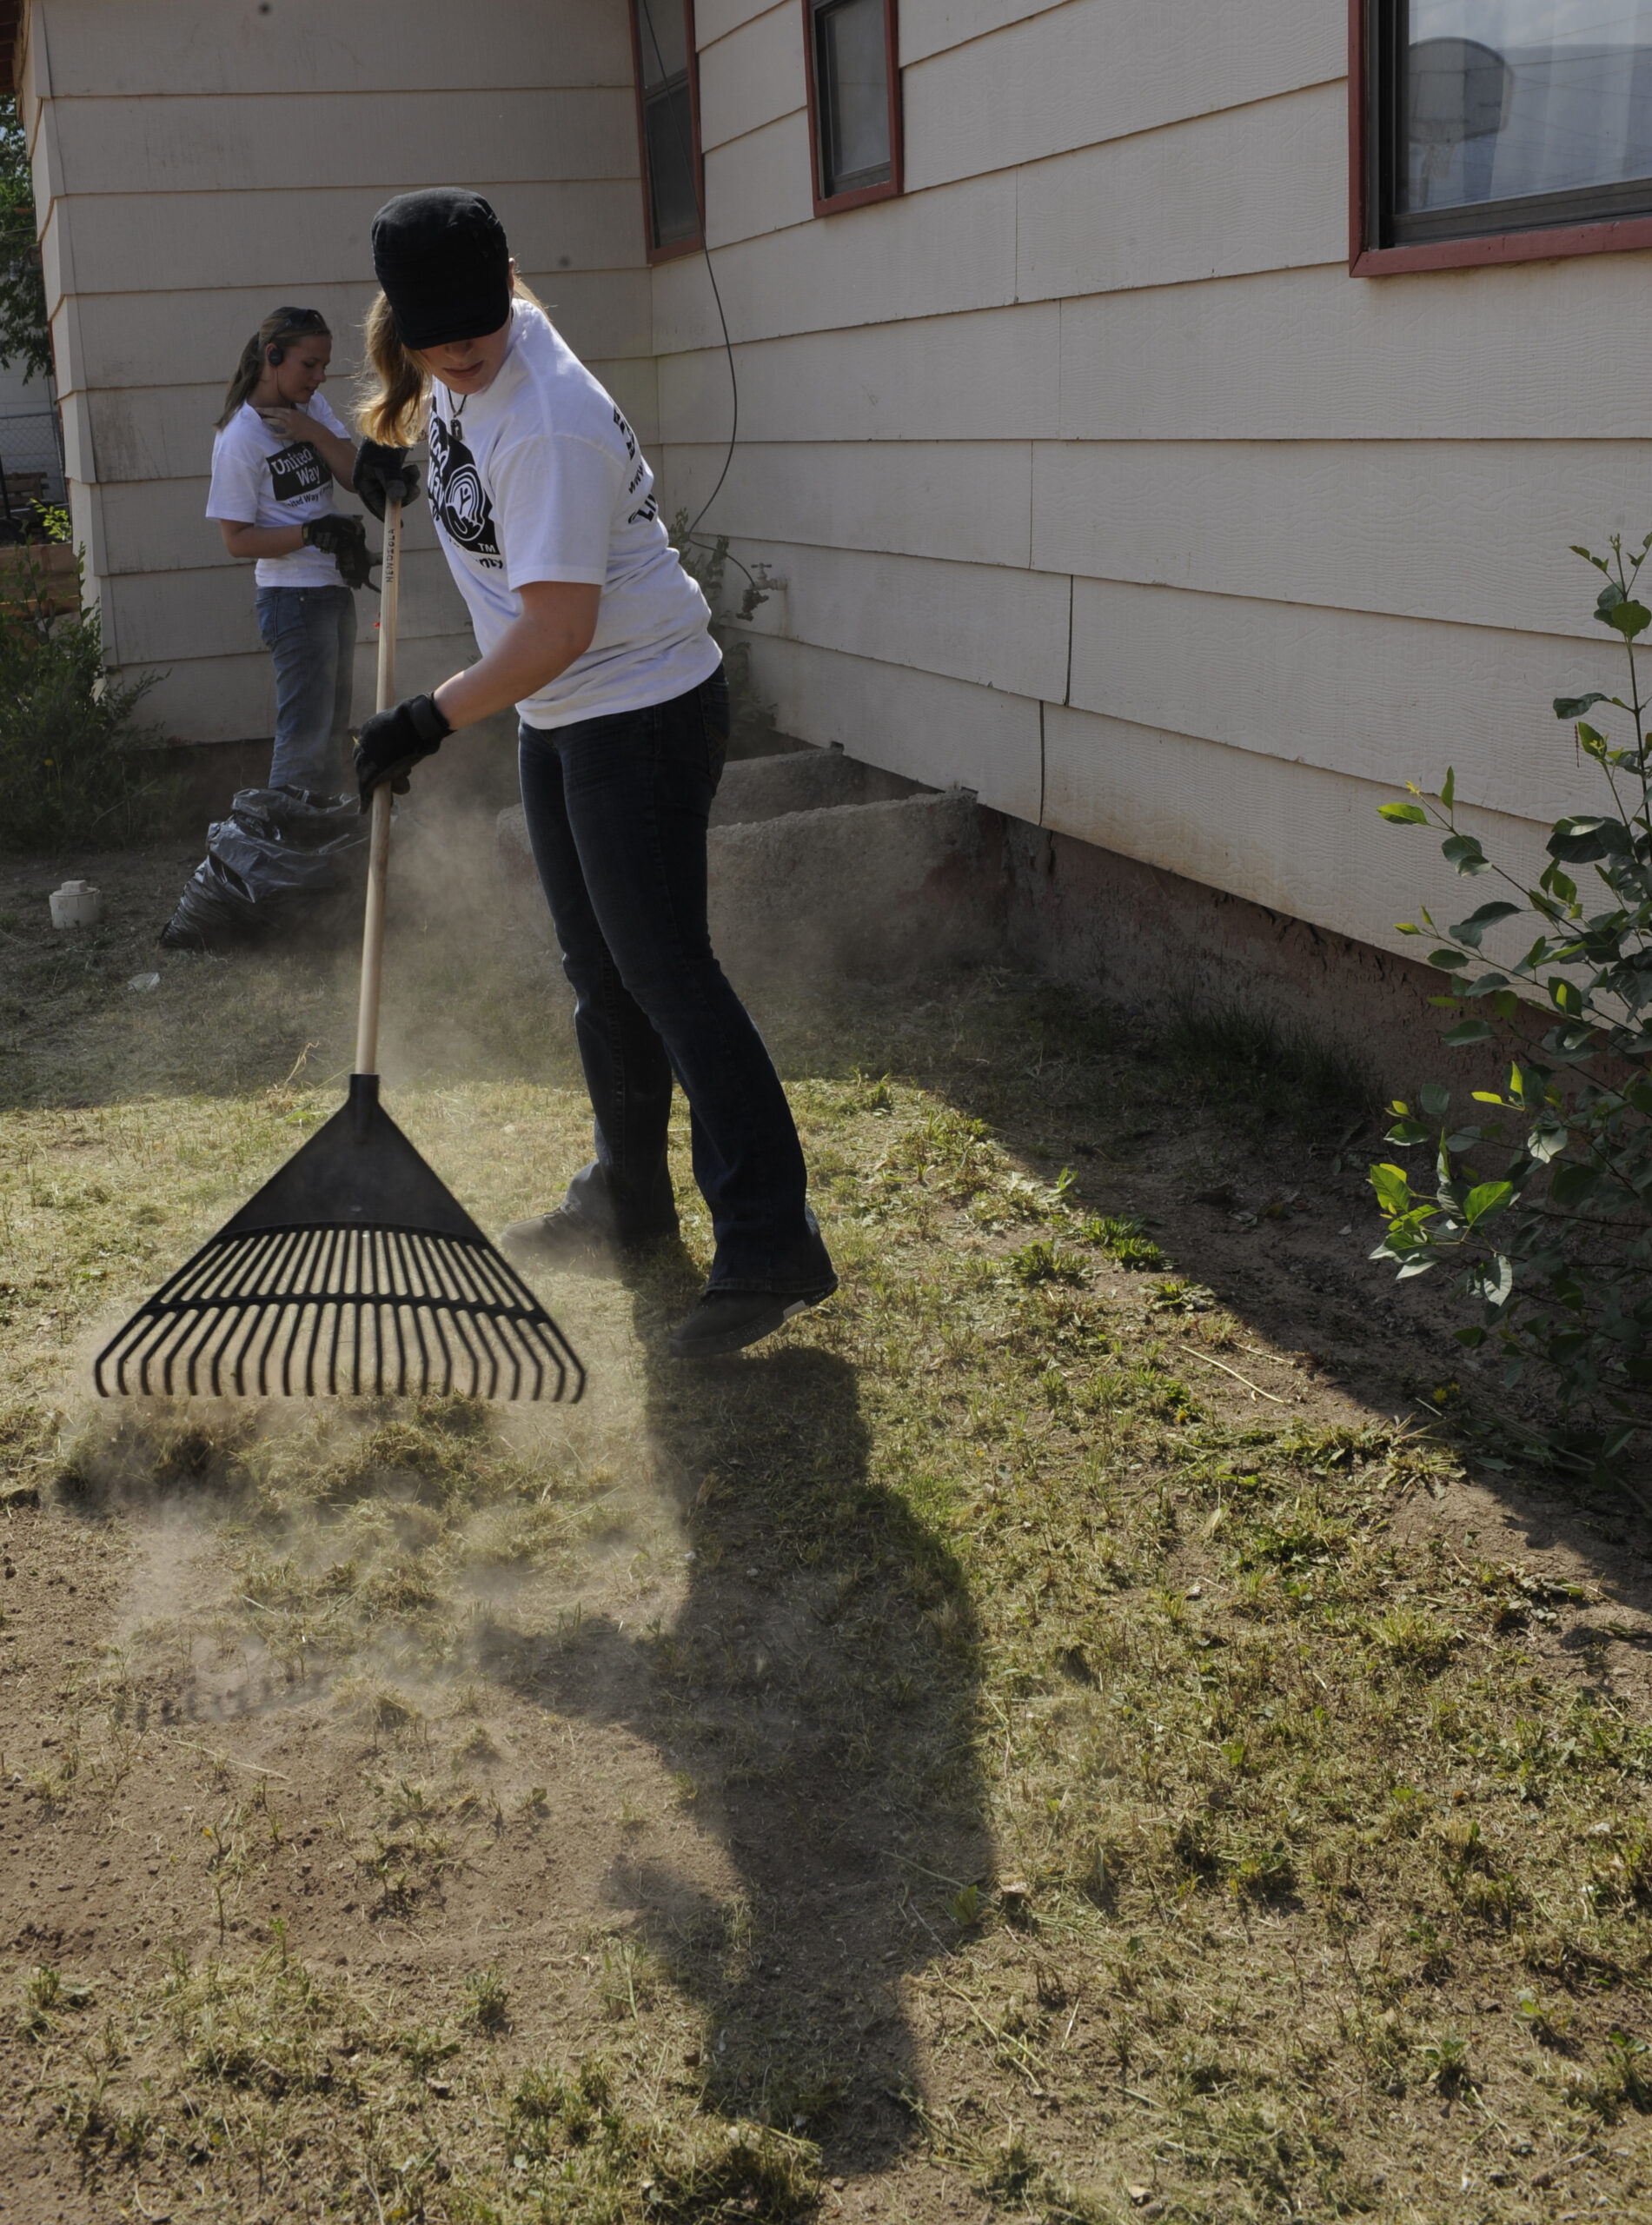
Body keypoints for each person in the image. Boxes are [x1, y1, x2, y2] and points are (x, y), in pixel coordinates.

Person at [352, 188, 836, 1361]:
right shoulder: (456, 372)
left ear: (509, 284)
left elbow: (556, 628)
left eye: (478, 333)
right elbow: (446, 416)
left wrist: (426, 718)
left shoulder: (552, 417)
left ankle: (770, 1241)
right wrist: (392, 449)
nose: (464, 355)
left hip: (637, 713)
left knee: (668, 973)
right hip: (566, 718)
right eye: (436, 341)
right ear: (405, 326)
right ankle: (626, 1196)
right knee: (600, 973)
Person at [204, 305, 377, 795]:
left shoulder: (310, 409)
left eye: (324, 365)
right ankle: (279, 854)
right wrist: (311, 532)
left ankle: (314, 850)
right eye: (310, 365)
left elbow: (353, 476)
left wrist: (313, 432)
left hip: (331, 592)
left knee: (328, 738)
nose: (320, 377)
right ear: (272, 356)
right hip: (291, 600)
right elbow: (236, 539)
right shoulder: (240, 437)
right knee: (303, 742)